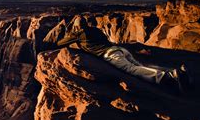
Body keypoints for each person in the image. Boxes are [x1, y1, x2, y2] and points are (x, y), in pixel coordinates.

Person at [53, 15, 191, 93]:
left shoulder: (79, 33)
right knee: (142, 66)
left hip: (111, 55)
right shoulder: (95, 29)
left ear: (77, 26)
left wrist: (69, 32)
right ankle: (175, 72)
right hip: (119, 50)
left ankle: (169, 76)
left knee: (133, 70)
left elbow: (59, 44)